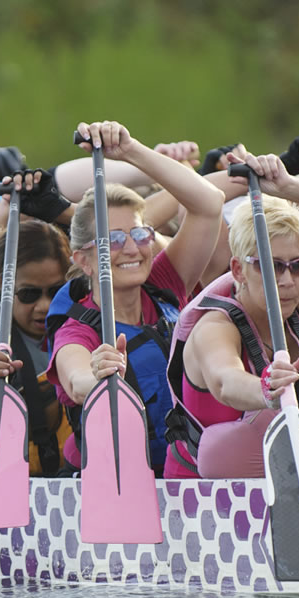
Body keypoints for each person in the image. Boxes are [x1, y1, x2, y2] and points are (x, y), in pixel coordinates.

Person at [165, 154, 299, 478]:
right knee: (226, 447)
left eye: (298, 265)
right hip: (210, 492)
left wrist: (289, 186)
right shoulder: (214, 327)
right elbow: (225, 381)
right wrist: (266, 389)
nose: (286, 280)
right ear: (239, 270)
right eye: (270, 266)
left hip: (290, 469)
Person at [46, 120, 224, 477]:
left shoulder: (164, 282)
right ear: (83, 260)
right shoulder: (76, 330)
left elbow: (208, 203)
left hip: (184, 476)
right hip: (115, 485)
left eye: (140, 234)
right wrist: (97, 375)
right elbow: (76, 378)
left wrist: (130, 151)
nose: (131, 249)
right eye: (112, 240)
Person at [0, 180, 74, 475]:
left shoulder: (84, 310)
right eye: (29, 294)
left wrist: (61, 208)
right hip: (15, 477)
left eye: (56, 291)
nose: (45, 306)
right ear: (0, 282)